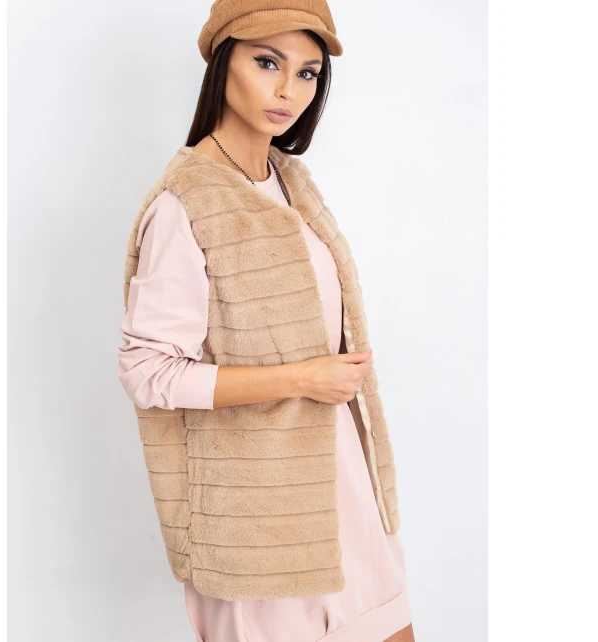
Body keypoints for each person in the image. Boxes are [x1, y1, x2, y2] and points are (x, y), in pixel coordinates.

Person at [117, 1, 415, 640]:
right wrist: (301, 378)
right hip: (260, 523)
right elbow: (148, 372)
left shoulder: (290, 181)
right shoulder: (185, 203)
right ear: (224, 62)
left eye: (308, 72)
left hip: (343, 489)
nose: (289, 91)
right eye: (267, 62)